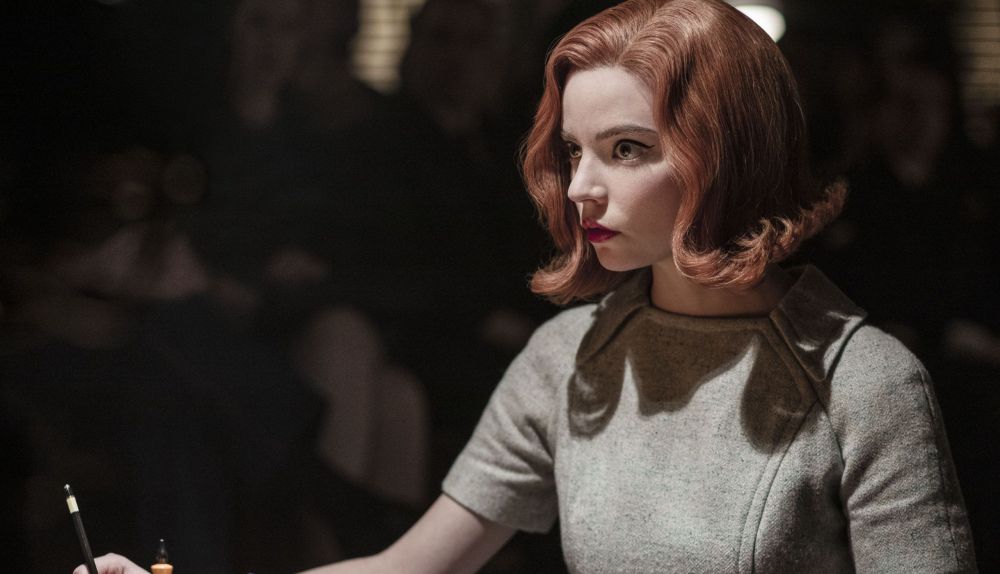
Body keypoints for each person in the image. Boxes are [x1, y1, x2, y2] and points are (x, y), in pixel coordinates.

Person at [75, 0, 977, 572]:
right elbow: (406, 569)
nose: (581, 186)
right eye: (574, 151)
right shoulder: (568, 358)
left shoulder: (867, 384)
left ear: (728, 153)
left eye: (626, 150)